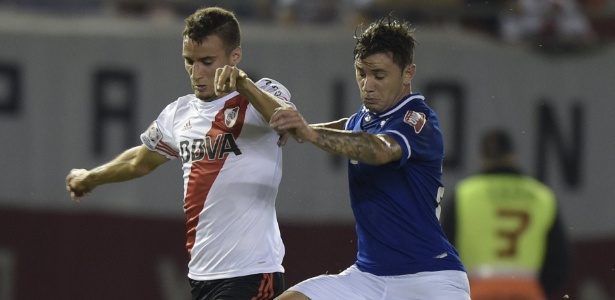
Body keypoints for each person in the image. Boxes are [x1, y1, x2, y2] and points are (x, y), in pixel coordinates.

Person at [65, 6, 294, 300]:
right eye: (190, 62)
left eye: (207, 62)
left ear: (235, 57)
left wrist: (243, 84)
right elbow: (140, 161)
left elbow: (288, 118)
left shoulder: (260, 94)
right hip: (201, 274)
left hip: (251, 271)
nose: (197, 73)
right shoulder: (178, 112)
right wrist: (91, 177)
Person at [270, 15, 470, 300]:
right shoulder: (367, 118)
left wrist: (309, 134)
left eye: (378, 75)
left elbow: (379, 150)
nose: (367, 84)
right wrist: (303, 129)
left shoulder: (418, 119)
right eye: (361, 73)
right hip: (367, 278)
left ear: (408, 73)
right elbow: (348, 126)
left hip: (430, 279)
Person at [441, 129, 570, 300]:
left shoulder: (464, 194)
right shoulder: (541, 195)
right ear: (512, 155)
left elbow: (443, 249)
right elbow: (560, 259)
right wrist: (538, 289)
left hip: (477, 291)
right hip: (526, 292)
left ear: (483, 158)